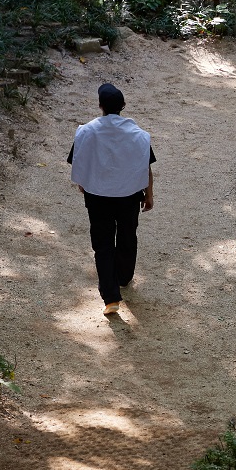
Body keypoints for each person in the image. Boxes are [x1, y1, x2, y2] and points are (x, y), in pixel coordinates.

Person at [68, 83, 154, 315]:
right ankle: (124, 277)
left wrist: (84, 183)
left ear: (100, 105)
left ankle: (111, 297)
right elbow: (145, 165)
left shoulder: (86, 132)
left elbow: (78, 162)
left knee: (103, 245)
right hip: (129, 196)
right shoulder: (138, 135)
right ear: (123, 106)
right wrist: (149, 193)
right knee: (127, 236)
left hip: (98, 197)